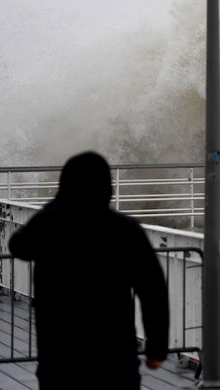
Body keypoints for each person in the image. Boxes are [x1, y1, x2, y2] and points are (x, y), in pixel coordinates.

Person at [8, 151, 169, 389]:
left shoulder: (50, 225)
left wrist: (55, 203)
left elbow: (18, 246)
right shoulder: (125, 230)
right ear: (107, 188)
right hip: (115, 360)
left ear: (65, 186)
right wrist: (156, 347)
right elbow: (153, 290)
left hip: (61, 359)